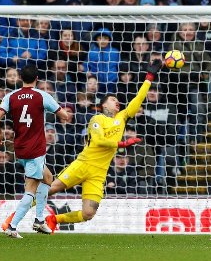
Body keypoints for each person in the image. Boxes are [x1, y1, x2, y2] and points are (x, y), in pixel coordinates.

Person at [42, 59, 162, 232]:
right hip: (84, 164)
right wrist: (123, 143)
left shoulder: (121, 118)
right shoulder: (97, 119)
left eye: (117, 100)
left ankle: (53, 219)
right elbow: (99, 141)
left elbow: (138, 98)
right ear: (104, 104)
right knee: (51, 189)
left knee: (88, 213)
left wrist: (149, 77)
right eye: (113, 99)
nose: (117, 101)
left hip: (99, 172)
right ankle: (14, 218)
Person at [0, 64, 70, 238]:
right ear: (37, 79)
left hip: (20, 148)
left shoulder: (11, 96)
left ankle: (40, 220)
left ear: (20, 78)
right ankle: (12, 226)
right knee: (31, 188)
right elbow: (64, 115)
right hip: (35, 149)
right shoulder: (42, 96)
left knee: (48, 177)